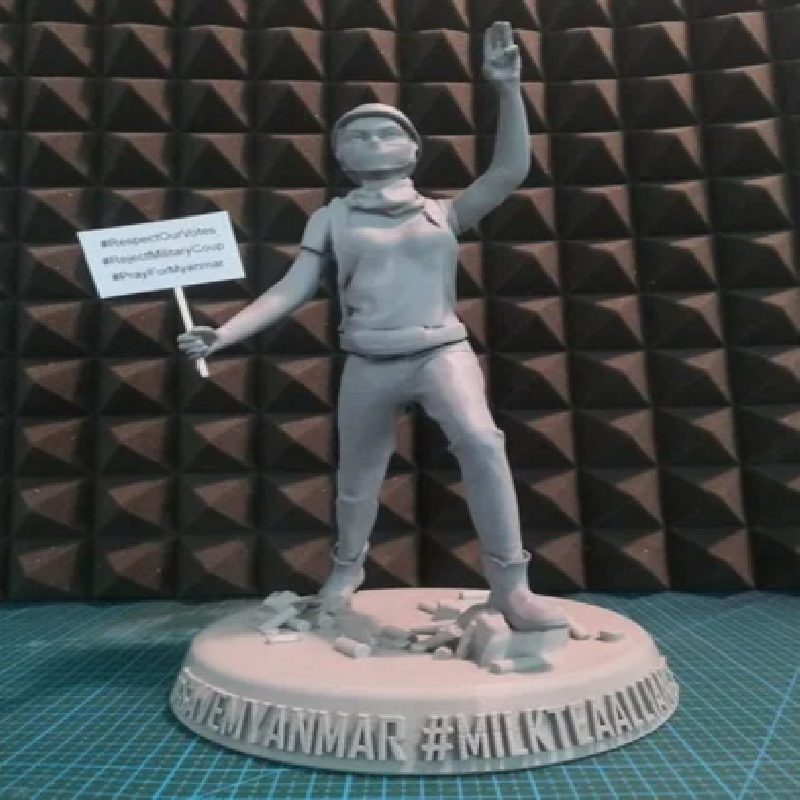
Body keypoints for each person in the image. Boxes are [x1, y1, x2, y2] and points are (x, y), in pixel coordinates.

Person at [178, 22, 568, 632]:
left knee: (482, 443)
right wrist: (224, 333)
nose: (373, 140)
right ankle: (345, 570)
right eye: (357, 135)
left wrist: (508, 88)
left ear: (414, 148)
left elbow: (509, 171)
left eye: (388, 131)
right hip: (368, 360)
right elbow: (291, 288)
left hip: (442, 352)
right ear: (340, 155)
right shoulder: (330, 218)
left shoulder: (443, 212)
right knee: (358, 475)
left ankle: (512, 586)